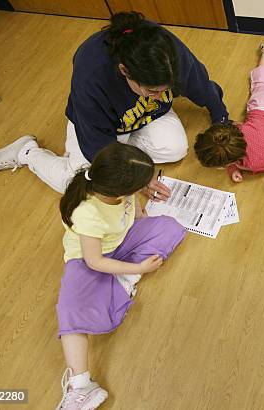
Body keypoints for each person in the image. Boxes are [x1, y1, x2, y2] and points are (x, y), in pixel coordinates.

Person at [0, 11, 229, 202]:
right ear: (125, 71)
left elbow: (199, 83)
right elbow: (96, 145)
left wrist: (222, 122)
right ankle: (27, 152)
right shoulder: (91, 74)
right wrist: (136, 178)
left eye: (167, 88)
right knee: (79, 184)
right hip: (101, 128)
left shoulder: (165, 50)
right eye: (153, 90)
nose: (162, 95)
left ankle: (124, 151)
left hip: (142, 116)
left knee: (175, 149)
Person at [55, 143, 186, 409]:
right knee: (70, 309)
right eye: (144, 183)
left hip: (119, 242)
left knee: (170, 227)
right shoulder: (87, 213)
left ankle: (120, 279)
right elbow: (94, 260)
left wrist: (142, 218)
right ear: (122, 189)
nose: (147, 187)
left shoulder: (117, 189)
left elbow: (134, 212)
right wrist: (139, 269)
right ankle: (80, 386)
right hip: (88, 259)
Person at [194, 44, 264, 182]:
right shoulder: (234, 130)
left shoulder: (253, 163)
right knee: (261, 83)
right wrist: (234, 166)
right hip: (261, 104)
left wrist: (242, 169)